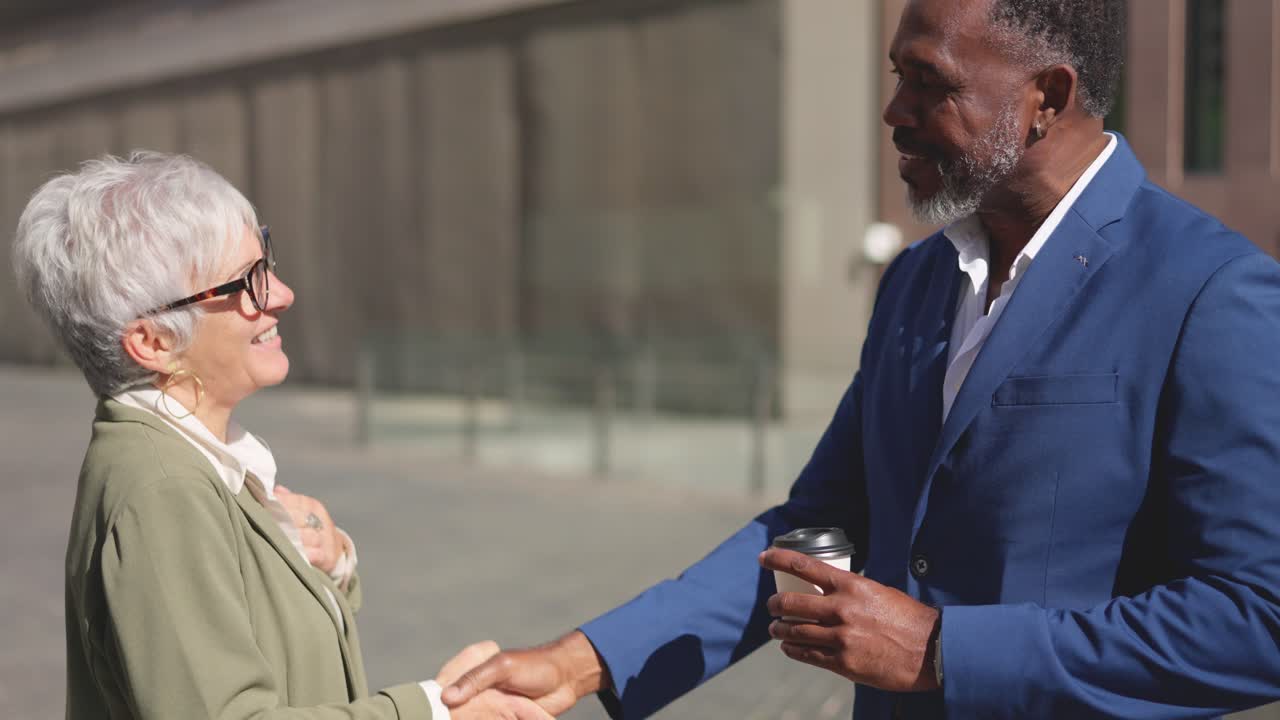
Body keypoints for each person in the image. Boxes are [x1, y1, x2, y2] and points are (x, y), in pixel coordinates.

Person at [439, 0, 1280, 718]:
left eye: (929, 82)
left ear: (1046, 98)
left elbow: (1259, 618)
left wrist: (945, 650)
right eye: (895, 76)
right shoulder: (918, 279)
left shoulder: (1210, 290)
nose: (893, 111)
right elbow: (823, 524)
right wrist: (581, 662)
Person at [13, 151, 549, 719]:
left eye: (265, 262)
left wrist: (329, 562)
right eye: (245, 283)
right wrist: (437, 711)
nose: (281, 293)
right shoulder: (164, 492)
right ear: (153, 343)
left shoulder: (199, 462)